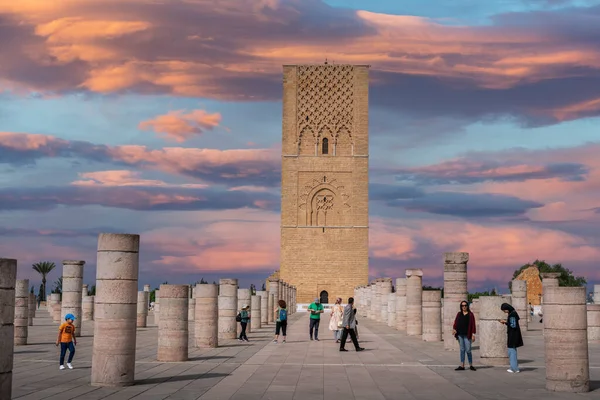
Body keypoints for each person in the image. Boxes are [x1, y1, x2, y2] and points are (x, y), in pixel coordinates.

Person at [452, 300, 477, 371]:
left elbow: (473, 325)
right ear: (461, 306)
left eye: (465, 305)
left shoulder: (470, 314)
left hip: (467, 335)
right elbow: (456, 322)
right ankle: (462, 365)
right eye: (462, 305)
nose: (464, 307)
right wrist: (454, 329)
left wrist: (473, 334)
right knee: (462, 350)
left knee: (468, 350)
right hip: (460, 334)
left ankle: (471, 365)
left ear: (467, 306)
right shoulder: (459, 314)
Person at [499, 303, 524, 373]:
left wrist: (505, 322)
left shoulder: (512, 314)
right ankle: (514, 367)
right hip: (513, 335)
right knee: (512, 351)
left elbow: (513, 325)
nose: (504, 312)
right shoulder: (513, 313)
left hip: (513, 335)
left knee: (512, 351)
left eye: (504, 310)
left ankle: (514, 368)